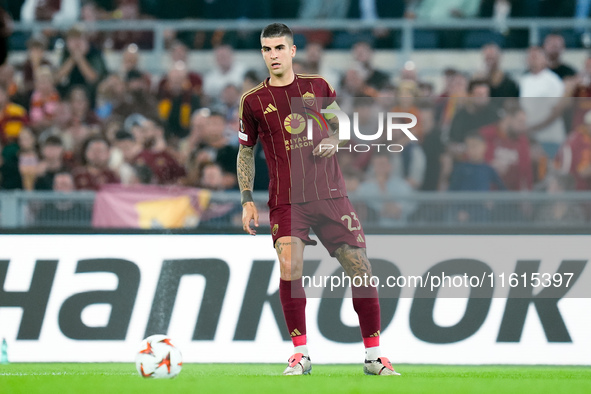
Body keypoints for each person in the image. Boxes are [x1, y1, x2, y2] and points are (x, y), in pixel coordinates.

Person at [237, 23, 399, 376]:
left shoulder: (317, 87)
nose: (273, 55)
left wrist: (335, 141)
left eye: (279, 48)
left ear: (292, 51)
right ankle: (300, 353)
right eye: (267, 49)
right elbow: (245, 152)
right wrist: (247, 199)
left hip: (330, 196)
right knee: (290, 267)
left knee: (361, 269)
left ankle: (374, 357)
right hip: (287, 200)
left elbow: (342, 127)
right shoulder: (253, 101)